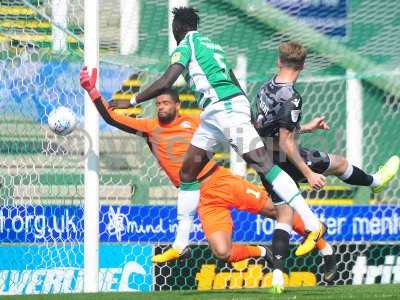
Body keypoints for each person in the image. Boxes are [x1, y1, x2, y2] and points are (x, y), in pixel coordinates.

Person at [109, 7, 326, 270]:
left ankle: (311, 222)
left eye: (174, 29)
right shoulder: (213, 45)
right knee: (188, 172)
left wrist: (130, 99)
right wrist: (246, 109)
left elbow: (168, 78)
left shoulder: (186, 44)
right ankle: (180, 245)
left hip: (223, 109)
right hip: (216, 112)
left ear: (178, 28)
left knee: (265, 166)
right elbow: (232, 78)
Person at [79, 68, 336, 281]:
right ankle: (263, 251)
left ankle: (325, 248)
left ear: (177, 105)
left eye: (166, 102)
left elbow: (244, 124)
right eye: (158, 103)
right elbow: (111, 118)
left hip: (220, 180)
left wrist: (303, 128)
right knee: (222, 251)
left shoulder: (198, 118)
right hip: (200, 198)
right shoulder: (149, 128)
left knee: (277, 209)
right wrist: (92, 92)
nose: (161, 107)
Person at [254, 41, 400, 293]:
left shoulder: (265, 88)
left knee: (284, 216)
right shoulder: (291, 96)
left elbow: (268, 127)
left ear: (279, 62)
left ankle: (277, 277)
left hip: (265, 161)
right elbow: (286, 141)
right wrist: (309, 173)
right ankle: (376, 182)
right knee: (339, 163)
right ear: (303, 65)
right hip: (286, 158)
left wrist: (307, 127)